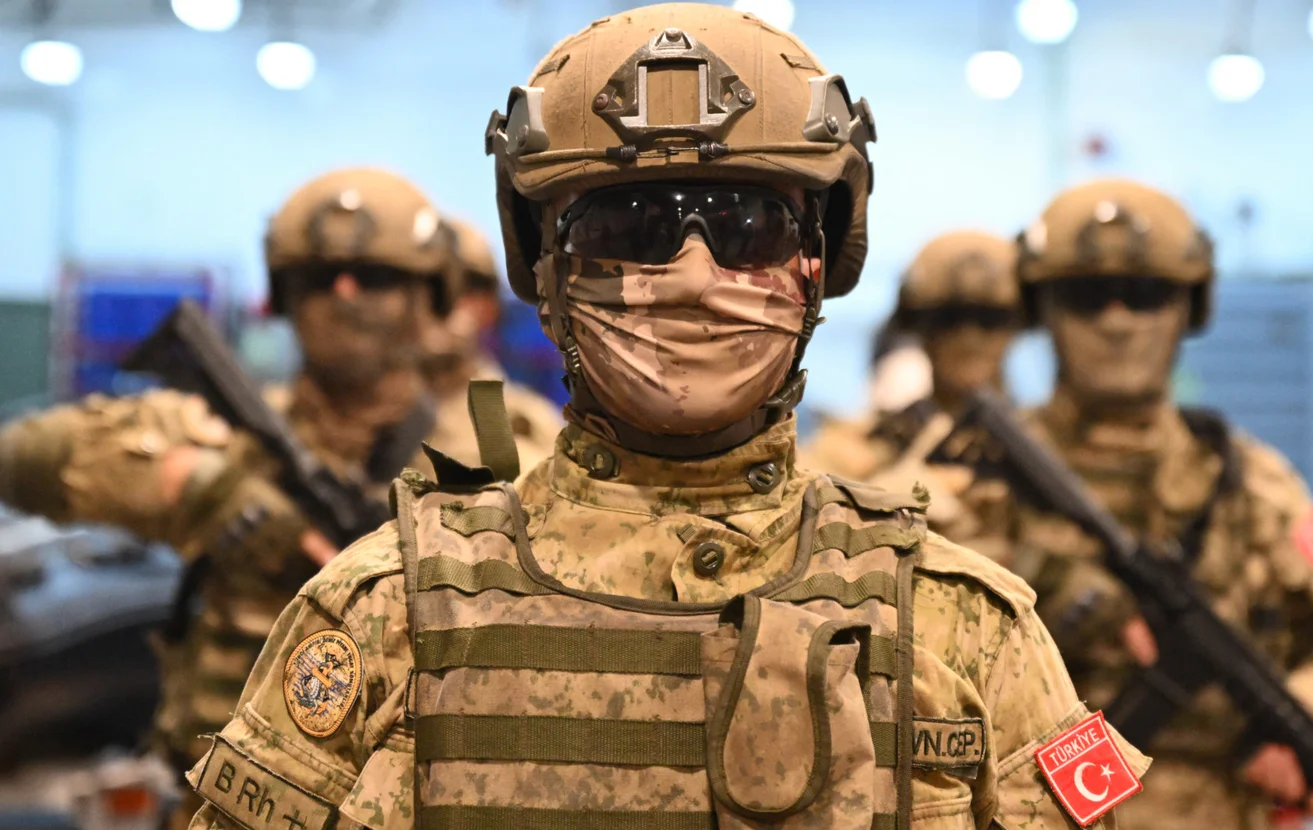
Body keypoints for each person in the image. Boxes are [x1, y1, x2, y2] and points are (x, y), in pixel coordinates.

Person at [178, 8, 1147, 830]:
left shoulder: (969, 629)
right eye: (628, 229)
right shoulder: (383, 610)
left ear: (815, 264)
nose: (690, 276)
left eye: (748, 229)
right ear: (547, 268)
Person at [0, 167, 555, 827]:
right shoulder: (225, 439)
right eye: (317, 276)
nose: (345, 293)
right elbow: (22, 457)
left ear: (430, 295)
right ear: (282, 294)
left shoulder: (502, 456)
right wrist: (200, 487)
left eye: (376, 276)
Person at [945, 178, 1313, 830]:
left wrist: (1301, 725)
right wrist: (1056, 585)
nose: (1117, 321)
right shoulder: (970, 482)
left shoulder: (1251, 486)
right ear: (1042, 309)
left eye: (1146, 294)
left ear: (1188, 309)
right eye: (1087, 296)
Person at [803, 230, 1022, 482]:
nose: (969, 339)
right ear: (916, 324)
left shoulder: (1038, 441)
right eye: (947, 318)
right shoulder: (855, 452)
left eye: (991, 319)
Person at [418, 217, 562, 472]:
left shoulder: (525, 425)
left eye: (466, 285)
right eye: (431, 285)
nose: (445, 302)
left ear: (489, 305)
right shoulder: (360, 412)